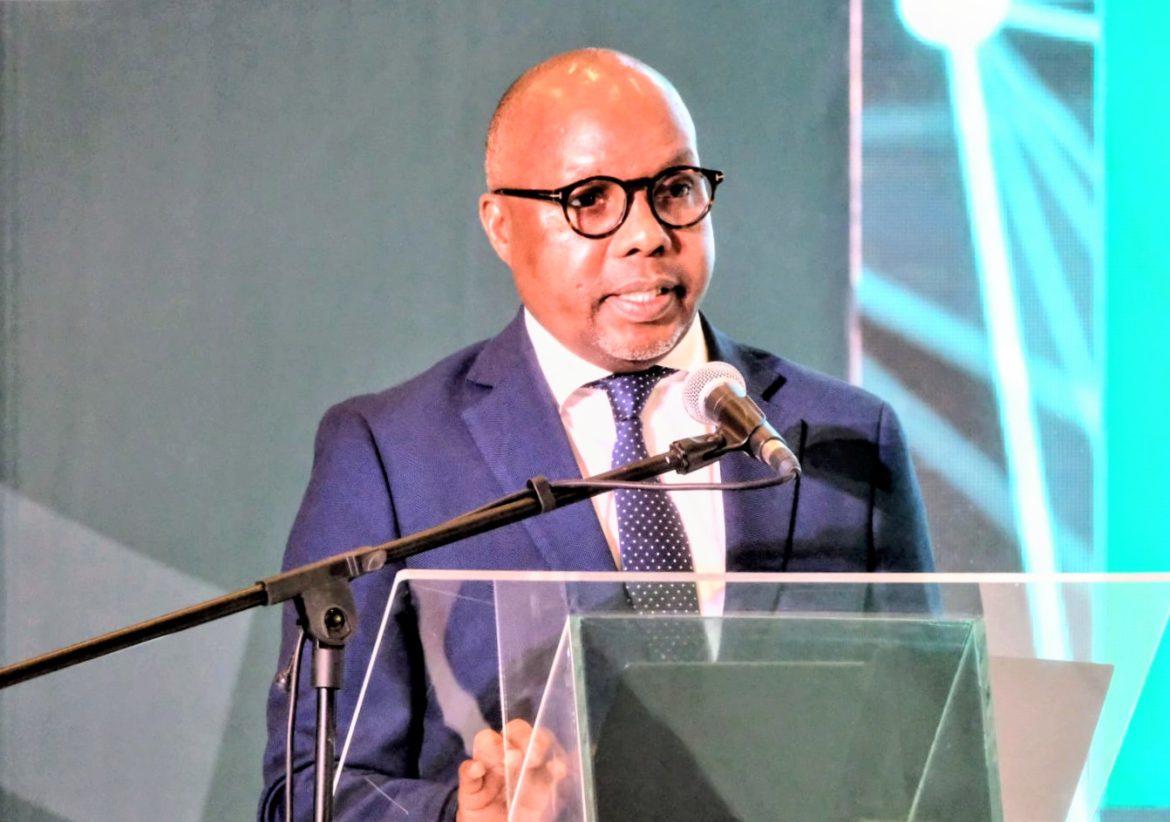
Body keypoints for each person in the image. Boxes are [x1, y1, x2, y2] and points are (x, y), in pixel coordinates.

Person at [259, 48, 933, 822]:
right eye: (590, 199)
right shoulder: (391, 454)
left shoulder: (843, 440)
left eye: (675, 190)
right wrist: (462, 815)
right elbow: (305, 793)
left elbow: (923, 750)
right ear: (501, 225)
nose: (647, 234)